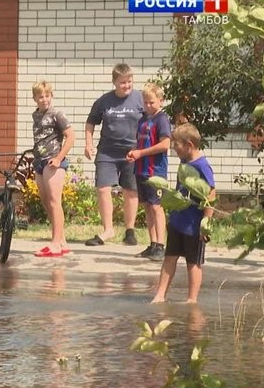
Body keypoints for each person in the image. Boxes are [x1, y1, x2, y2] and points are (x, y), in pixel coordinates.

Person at [151, 123, 215, 304]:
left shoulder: (202, 166)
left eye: (176, 146)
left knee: (193, 262)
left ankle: (191, 299)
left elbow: (211, 194)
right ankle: (160, 295)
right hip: (178, 220)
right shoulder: (184, 162)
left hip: (194, 224)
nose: (174, 150)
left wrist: (206, 222)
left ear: (189, 145)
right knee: (169, 257)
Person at [84, 63, 143, 247]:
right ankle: (108, 230)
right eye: (122, 82)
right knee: (103, 188)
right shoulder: (104, 101)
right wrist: (88, 144)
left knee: (130, 190)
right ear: (114, 82)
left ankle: (130, 230)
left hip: (132, 152)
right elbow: (90, 123)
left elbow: (153, 118)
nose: (127, 85)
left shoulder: (140, 99)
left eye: (129, 81)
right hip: (107, 152)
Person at [126, 83, 171, 261]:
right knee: (147, 206)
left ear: (161, 101)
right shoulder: (143, 119)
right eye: (145, 102)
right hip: (141, 169)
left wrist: (141, 153)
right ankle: (152, 244)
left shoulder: (162, 120)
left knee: (156, 206)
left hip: (155, 171)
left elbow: (165, 144)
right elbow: (141, 142)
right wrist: (134, 152)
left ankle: (161, 244)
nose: (148, 106)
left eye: (152, 102)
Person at [30, 80, 74, 257]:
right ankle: (61, 241)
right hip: (39, 162)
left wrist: (58, 158)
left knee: (55, 201)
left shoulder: (57, 114)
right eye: (40, 96)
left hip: (53, 161)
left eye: (47, 95)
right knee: (46, 202)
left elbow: (70, 136)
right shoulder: (36, 115)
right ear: (34, 98)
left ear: (51, 96)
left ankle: (55, 243)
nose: (44, 99)